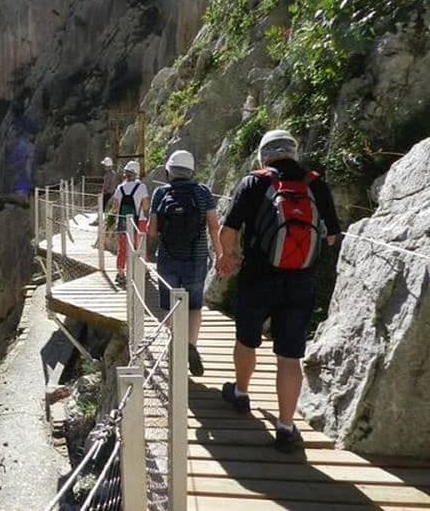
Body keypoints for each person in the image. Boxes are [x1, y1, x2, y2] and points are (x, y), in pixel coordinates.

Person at [216, 129, 340, 453]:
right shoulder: (316, 183)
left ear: (264, 155)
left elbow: (228, 233)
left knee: (246, 339)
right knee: (289, 355)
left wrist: (228, 257)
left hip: (258, 276)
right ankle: (285, 428)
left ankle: (241, 394)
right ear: (293, 153)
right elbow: (330, 237)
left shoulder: (254, 182)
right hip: (300, 280)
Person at [147, 150, 221, 377]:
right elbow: (213, 225)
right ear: (191, 171)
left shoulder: (160, 193)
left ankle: (175, 344)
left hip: (168, 258)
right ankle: (191, 344)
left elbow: (152, 229)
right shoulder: (202, 192)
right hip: (196, 258)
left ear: (169, 171)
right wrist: (220, 254)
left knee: (169, 305)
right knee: (194, 305)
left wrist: (150, 253)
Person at [112, 160, 149, 286]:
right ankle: (142, 271)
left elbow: (115, 208)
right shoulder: (142, 187)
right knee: (140, 248)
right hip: (140, 222)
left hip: (122, 222)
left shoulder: (120, 188)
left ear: (126, 174)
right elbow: (145, 206)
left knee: (122, 249)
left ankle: (121, 274)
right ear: (136, 173)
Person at [91, 157, 119, 226]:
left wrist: (102, 192)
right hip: (112, 193)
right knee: (108, 208)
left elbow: (106, 185)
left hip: (107, 193)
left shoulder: (108, 175)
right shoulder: (113, 173)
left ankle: (98, 221)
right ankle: (108, 222)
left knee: (101, 207)